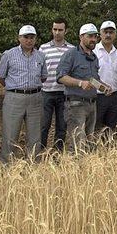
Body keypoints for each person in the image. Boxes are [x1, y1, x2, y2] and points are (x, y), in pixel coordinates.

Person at [0, 25, 47, 162]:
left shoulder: (41, 56)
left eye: (32, 37)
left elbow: (43, 77)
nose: (29, 40)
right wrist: (14, 88)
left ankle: (34, 167)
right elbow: (0, 76)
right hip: (14, 98)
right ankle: (7, 168)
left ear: (35, 39)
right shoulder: (9, 54)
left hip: (35, 98)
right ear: (19, 38)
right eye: (26, 37)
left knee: (35, 136)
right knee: (10, 134)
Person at [57, 23, 102, 153]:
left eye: (95, 36)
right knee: (77, 144)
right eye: (90, 36)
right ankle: (74, 171)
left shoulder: (94, 57)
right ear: (81, 37)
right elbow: (60, 77)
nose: (93, 39)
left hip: (92, 105)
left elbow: (93, 80)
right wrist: (79, 83)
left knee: (89, 143)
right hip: (76, 105)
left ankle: (86, 172)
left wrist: (103, 86)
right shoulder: (71, 54)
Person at [39, 18, 74, 151]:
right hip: (46, 92)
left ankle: (57, 155)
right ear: (51, 30)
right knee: (44, 125)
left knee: (62, 126)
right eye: (55, 29)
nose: (57, 32)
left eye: (60, 30)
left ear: (66, 31)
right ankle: (40, 154)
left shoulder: (72, 49)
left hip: (64, 93)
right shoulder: (43, 48)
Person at [94, 21, 117, 136]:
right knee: (96, 128)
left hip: (114, 97)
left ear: (115, 35)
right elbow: (89, 77)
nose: (108, 35)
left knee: (111, 129)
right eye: (105, 32)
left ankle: (108, 153)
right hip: (97, 97)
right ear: (100, 33)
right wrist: (102, 88)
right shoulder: (93, 52)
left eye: (111, 32)